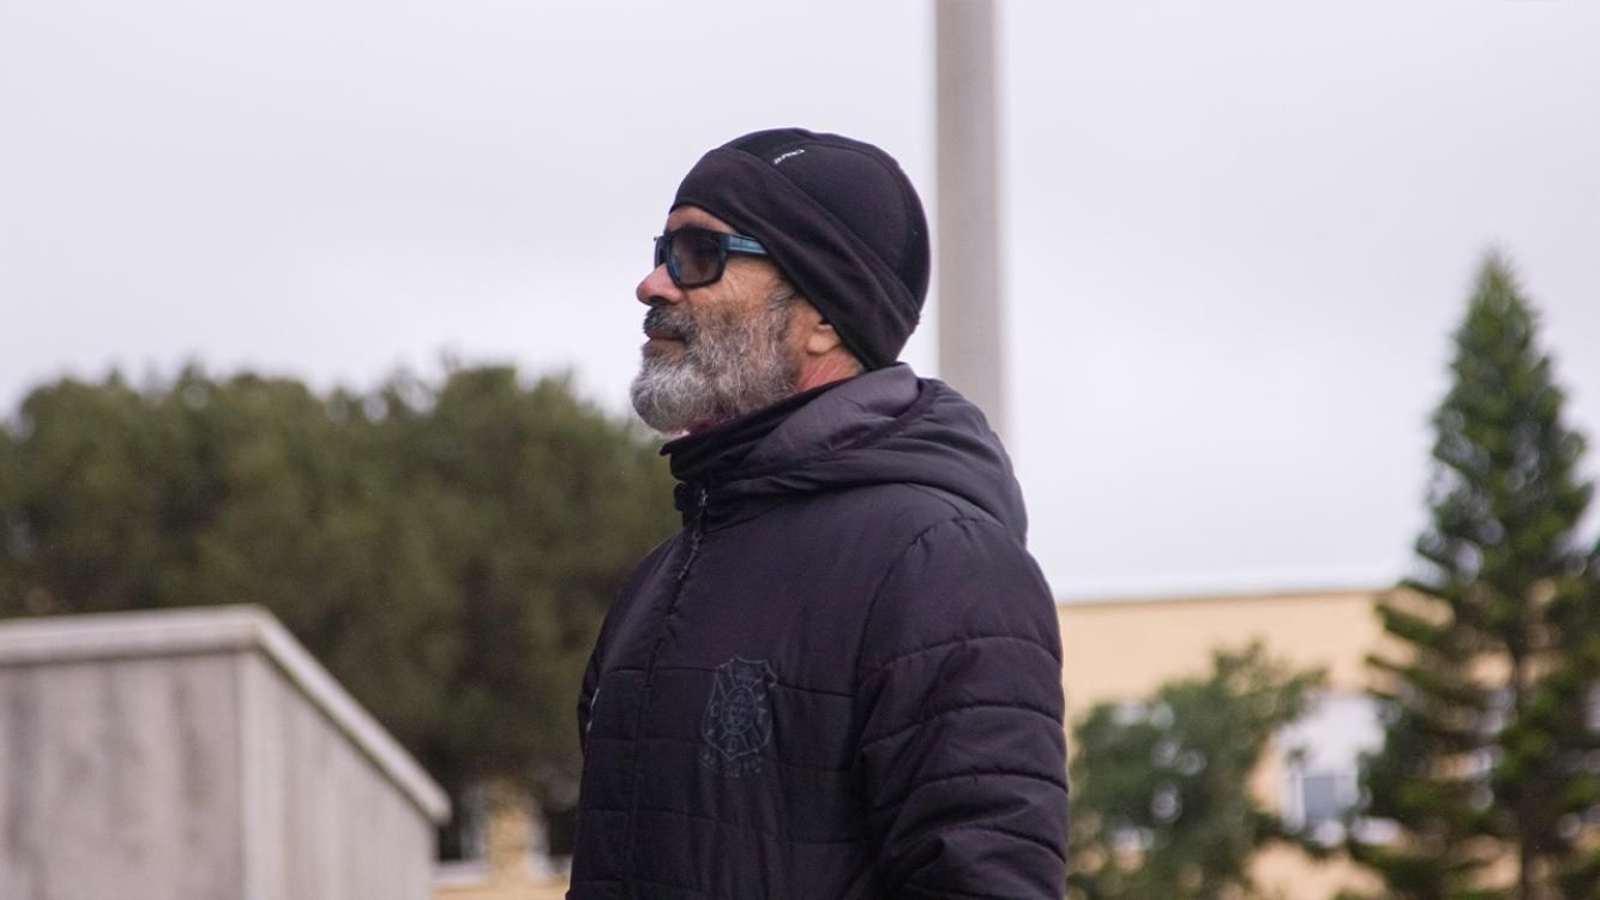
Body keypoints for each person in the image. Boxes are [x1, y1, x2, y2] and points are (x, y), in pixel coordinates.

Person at [569, 128, 1067, 899]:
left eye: (700, 255)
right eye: (664, 251)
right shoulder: (661, 577)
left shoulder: (943, 564)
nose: (652, 285)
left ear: (824, 317)